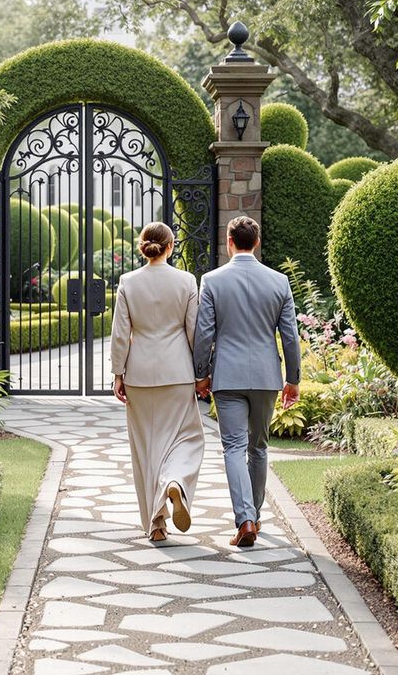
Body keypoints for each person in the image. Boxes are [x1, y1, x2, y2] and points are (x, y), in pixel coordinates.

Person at [193, 216, 301, 548]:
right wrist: (292, 379)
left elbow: (204, 334)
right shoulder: (279, 281)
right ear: (255, 242)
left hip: (227, 376)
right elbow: (291, 337)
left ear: (229, 241)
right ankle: (252, 514)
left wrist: (201, 374)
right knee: (258, 447)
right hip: (267, 376)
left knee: (234, 448)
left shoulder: (212, 280)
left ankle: (245, 520)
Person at [110, 221, 204, 543]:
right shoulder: (186, 281)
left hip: (139, 375)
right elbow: (195, 331)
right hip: (177, 373)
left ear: (142, 246)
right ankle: (175, 481)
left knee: (145, 449)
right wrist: (202, 372)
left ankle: (156, 525)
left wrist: (118, 373)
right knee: (187, 438)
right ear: (170, 246)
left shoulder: (128, 281)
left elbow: (121, 333)